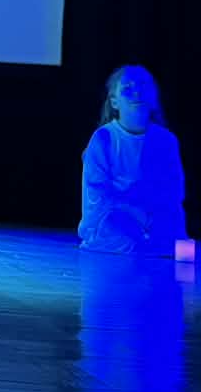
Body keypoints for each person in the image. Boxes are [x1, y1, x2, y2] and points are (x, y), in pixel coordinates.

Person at [77, 64, 186, 254]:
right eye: (127, 89)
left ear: (153, 97)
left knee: (174, 238)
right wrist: (134, 211)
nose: (137, 93)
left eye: (143, 86)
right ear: (114, 102)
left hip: (152, 215)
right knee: (127, 238)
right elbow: (99, 192)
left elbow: (174, 189)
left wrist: (153, 215)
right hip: (115, 215)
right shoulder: (104, 138)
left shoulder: (166, 140)